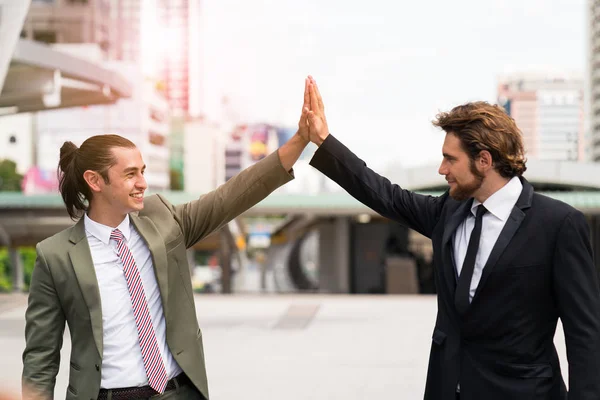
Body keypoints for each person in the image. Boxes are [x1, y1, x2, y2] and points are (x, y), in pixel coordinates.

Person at [301, 76, 600, 400]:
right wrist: (323, 140)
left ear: (484, 160)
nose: (442, 169)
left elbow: (584, 334)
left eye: (451, 158)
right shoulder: (449, 212)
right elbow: (385, 195)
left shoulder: (558, 224)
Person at [22, 80, 313, 400]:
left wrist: (298, 141)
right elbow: (40, 356)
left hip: (177, 393)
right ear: (95, 181)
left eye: (143, 171)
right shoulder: (56, 256)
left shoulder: (161, 219)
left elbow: (231, 197)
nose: (143, 183)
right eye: (130, 174)